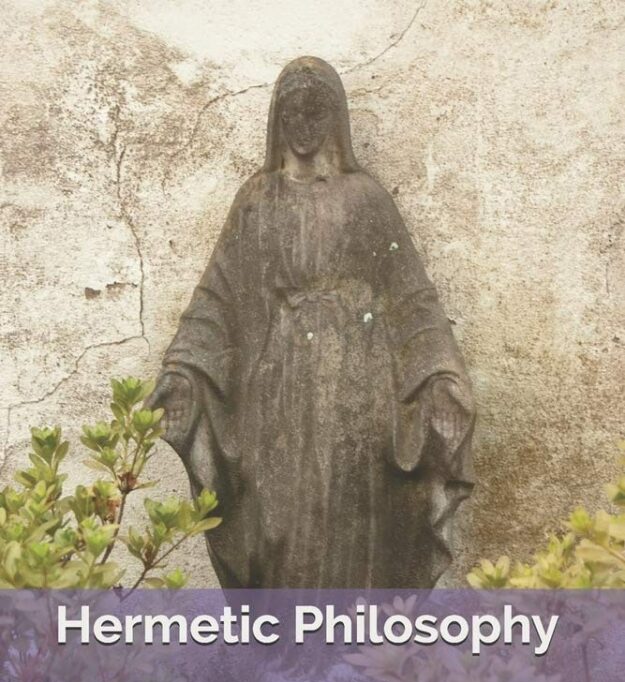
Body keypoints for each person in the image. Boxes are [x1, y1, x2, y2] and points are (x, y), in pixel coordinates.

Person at [148, 56, 475, 589]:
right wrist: (184, 370)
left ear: (335, 118)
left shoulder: (367, 199)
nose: (304, 125)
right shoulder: (257, 199)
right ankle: (282, 639)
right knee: (275, 521)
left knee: (349, 522)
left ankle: (351, 637)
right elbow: (217, 298)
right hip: (276, 397)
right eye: (293, 112)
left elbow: (412, 299)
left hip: (357, 393)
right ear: (278, 119)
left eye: (316, 111)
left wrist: (440, 375)